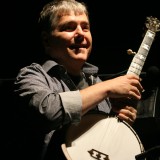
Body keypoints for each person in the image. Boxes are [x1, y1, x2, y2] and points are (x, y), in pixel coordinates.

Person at [9, 0, 143, 159]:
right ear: (46, 40)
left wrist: (120, 122)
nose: (81, 34)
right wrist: (107, 88)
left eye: (85, 27)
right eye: (69, 27)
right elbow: (48, 111)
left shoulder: (97, 83)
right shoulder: (31, 75)